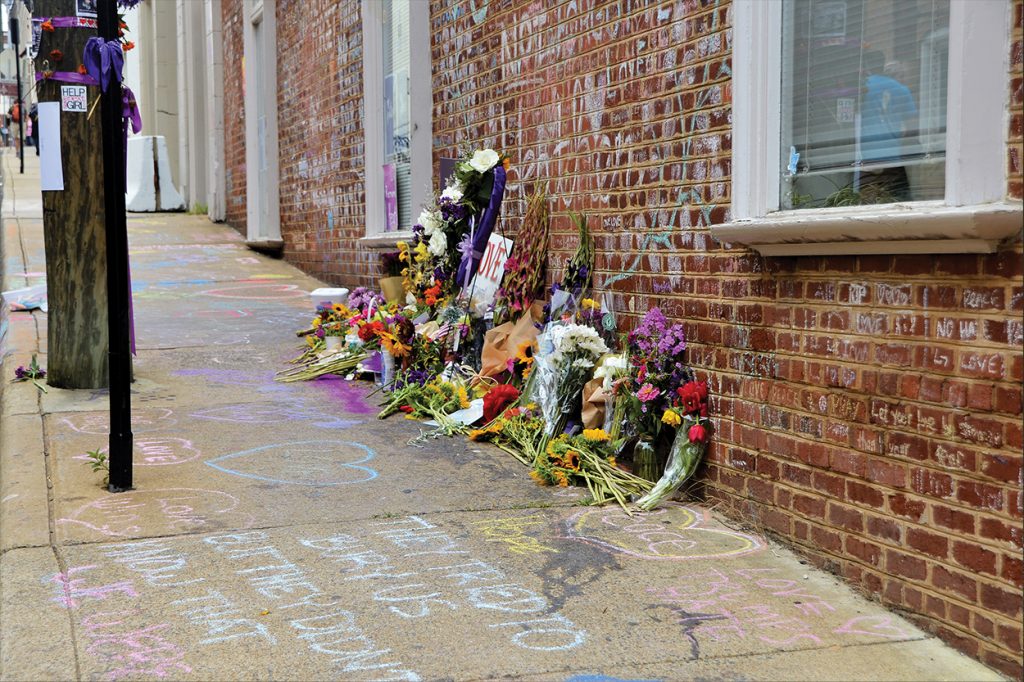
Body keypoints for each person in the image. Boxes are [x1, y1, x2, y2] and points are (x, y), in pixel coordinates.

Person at [860, 51, 918, 201]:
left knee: (866, 200)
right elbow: (912, 124)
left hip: (866, 153)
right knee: (898, 198)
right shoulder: (901, 89)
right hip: (893, 153)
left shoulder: (863, 87)